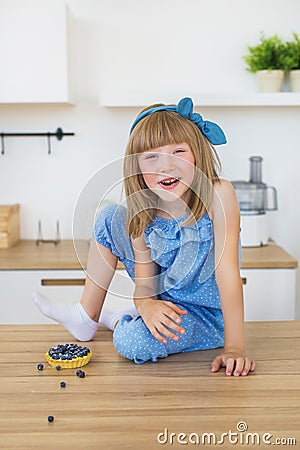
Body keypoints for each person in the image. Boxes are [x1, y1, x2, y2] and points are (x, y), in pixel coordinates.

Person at [33, 97, 256, 376]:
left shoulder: (218, 194)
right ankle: (88, 316)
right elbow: (145, 281)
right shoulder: (143, 213)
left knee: (130, 342)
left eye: (178, 152)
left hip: (204, 315)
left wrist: (234, 347)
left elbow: (227, 273)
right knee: (110, 218)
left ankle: (117, 319)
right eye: (152, 156)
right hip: (165, 299)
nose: (166, 166)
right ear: (137, 166)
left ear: (197, 153)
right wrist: (146, 304)